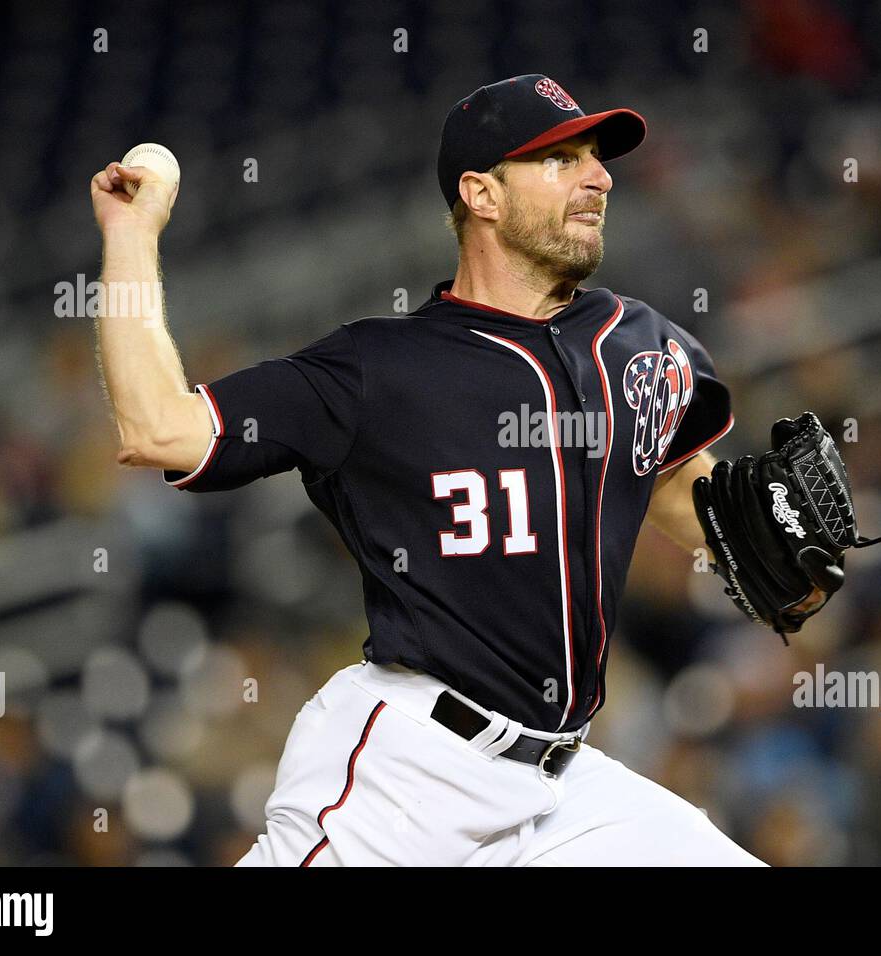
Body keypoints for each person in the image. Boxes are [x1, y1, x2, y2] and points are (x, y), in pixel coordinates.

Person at [90, 74, 797, 865]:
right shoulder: (375, 370)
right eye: (560, 159)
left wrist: (765, 546)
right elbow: (157, 428)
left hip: (565, 789)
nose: (598, 176)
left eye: (595, 157)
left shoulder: (635, 341)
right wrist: (131, 232)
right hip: (409, 775)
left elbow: (660, 470)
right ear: (481, 194)